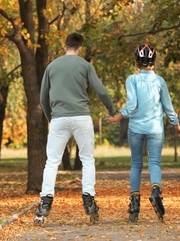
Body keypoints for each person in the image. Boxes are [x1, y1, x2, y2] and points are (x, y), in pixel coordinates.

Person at [34, 32, 117, 226]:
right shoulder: (86, 66)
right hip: (81, 117)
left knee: (52, 162)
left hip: (59, 118)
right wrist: (112, 111)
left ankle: (45, 203)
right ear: (80, 48)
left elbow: (43, 98)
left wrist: (50, 117)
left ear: (65, 46)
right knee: (87, 159)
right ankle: (88, 200)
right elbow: (101, 91)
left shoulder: (51, 67)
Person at [105, 44, 180, 223]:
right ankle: (156, 192)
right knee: (154, 162)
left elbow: (131, 105)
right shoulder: (160, 81)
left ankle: (134, 206)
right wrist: (176, 124)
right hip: (156, 129)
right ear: (154, 62)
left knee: (136, 165)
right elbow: (168, 107)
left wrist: (118, 117)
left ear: (136, 62)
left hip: (136, 129)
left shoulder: (132, 79)